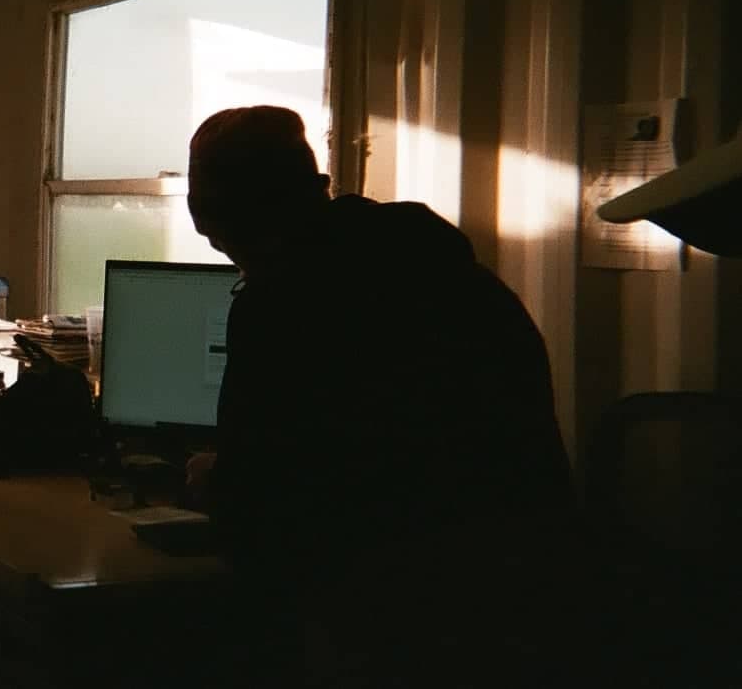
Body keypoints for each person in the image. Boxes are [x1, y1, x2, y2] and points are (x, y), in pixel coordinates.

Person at [183, 106, 583, 686]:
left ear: (215, 217)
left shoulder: (283, 304)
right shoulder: (448, 271)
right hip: (526, 603)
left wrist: (212, 478)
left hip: (384, 621)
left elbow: (263, 507)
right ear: (316, 187)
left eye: (219, 236)